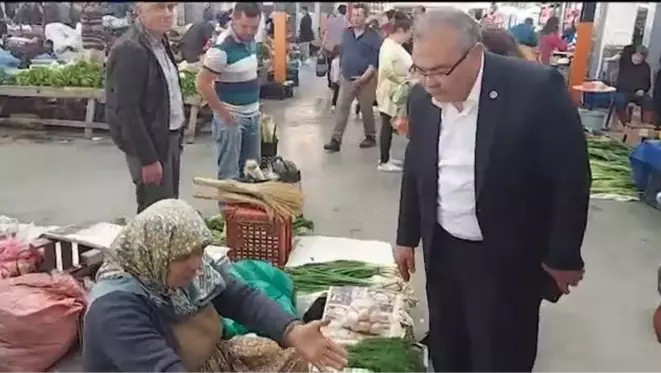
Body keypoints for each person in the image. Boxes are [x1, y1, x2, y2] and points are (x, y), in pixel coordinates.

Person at [396, 8, 590, 373]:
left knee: (500, 355)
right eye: (420, 70)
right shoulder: (422, 100)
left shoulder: (535, 89)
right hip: (444, 251)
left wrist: (564, 256)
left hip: (507, 256)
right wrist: (406, 235)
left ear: (474, 54)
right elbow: (416, 167)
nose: (429, 82)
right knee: (448, 350)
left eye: (439, 71)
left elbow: (570, 176)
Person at [82, 199, 349, 373]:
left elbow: (240, 297)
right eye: (184, 256)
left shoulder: (174, 269)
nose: (197, 265)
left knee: (291, 359)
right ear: (155, 253)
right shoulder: (115, 308)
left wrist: (292, 331)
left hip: (208, 362)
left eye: (199, 252)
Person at [105, 2, 185, 214]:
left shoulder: (160, 40)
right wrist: (148, 159)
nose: (168, 13)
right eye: (159, 7)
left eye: (171, 7)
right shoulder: (131, 49)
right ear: (139, 11)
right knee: (155, 212)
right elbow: (127, 111)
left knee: (169, 207)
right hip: (151, 144)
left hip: (169, 138)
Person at [196, 3, 262, 181]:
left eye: (254, 27)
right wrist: (224, 115)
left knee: (252, 171)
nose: (249, 31)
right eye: (244, 26)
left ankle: (247, 207)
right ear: (233, 20)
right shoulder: (221, 48)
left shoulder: (251, 41)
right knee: (230, 175)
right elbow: (202, 84)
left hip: (253, 116)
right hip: (232, 120)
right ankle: (227, 209)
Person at [324, 3, 382, 152]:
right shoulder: (346, 33)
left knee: (366, 108)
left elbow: (374, 62)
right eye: (353, 15)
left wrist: (363, 78)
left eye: (359, 15)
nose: (355, 18)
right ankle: (335, 140)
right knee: (342, 108)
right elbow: (343, 52)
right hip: (347, 78)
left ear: (365, 17)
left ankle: (370, 136)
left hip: (366, 80)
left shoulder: (373, 37)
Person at [376, 12, 412, 172]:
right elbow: (387, 70)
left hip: (394, 90)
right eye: (409, 33)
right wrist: (403, 81)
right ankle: (384, 161)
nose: (409, 37)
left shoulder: (395, 46)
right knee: (387, 124)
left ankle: (387, 157)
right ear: (401, 31)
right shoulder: (389, 46)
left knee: (389, 125)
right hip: (391, 92)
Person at [614, 44, 654, 126]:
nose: (638, 58)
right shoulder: (624, 61)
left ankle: (646, 125)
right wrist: (635, 47)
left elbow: (647, 83)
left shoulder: (646, 67)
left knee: (649, 101)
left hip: (638, 93)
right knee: (620, 100)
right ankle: (625, 124)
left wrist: (643, 90)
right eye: (637, 55)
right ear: (632, 54)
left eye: (641, 57)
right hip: (623, 91)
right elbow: (626, 49)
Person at [321, 5, 349, 88]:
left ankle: (330, 82)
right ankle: (337, 82)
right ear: (345, 11)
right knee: (339, 66)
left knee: (330, 65)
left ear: (337, 11)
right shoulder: (347, 23)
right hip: (341, 48)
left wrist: (322, 47)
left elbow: (326, 34)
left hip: (330, 48)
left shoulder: (331, 20)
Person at [329, 46, 341, 113]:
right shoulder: (343, 61)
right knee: (342, 94)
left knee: (335, 93)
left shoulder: (333, 61)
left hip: (335, 80)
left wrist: (331, 80)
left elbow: (332, 72)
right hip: (342, 80)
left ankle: (333, 106)